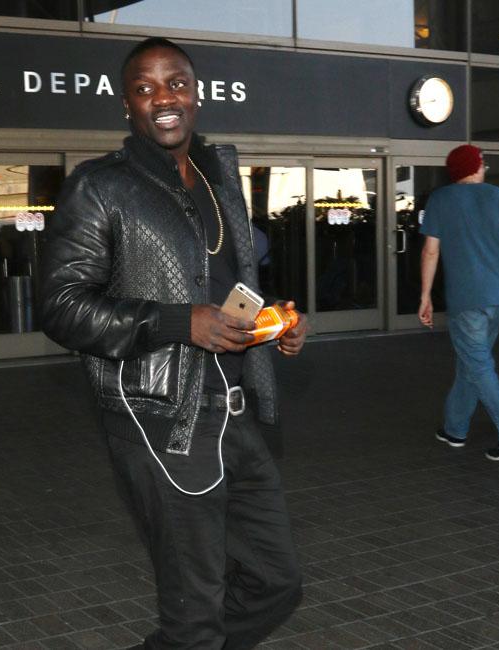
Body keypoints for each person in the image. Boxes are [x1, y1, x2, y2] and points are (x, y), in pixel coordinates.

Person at [41, 37, 307, 650]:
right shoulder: (99, 186)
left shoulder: (218, 179)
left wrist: (273, 322)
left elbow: (225, 287)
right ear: (127, 104)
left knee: (276, 582)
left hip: (236, 415)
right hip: (161, 422)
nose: (164, 98)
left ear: (197, 94)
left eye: (176, 83)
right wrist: (178, 323)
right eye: (145, 88)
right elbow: (61, 307)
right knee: (196, 613)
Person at [418, 144, 499, 461]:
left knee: (478, 365)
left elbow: (431, 251)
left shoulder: (441, 200)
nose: (484, 167)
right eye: (481, 162)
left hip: (466, 299)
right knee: (471, 364)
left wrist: (425, 295)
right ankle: (455, 428)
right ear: (473, 166)